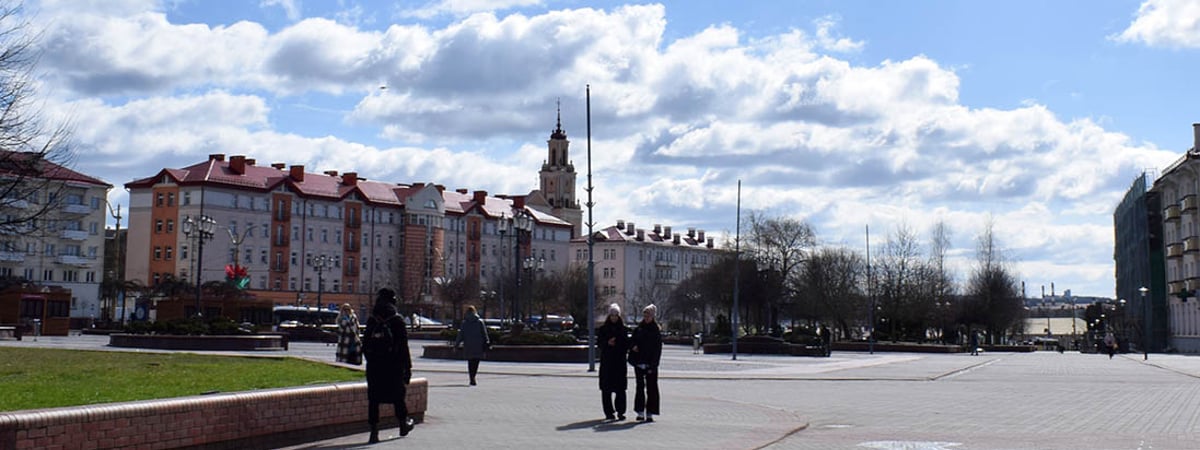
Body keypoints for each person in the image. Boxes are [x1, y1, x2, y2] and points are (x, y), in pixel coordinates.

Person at [364, 288, 413, 443]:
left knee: (373, 399)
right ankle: (403, 423)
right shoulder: (397, 320)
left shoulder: (373, 319)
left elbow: (365, 344)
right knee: (398, 396)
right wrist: (407, 368)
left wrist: (372, 359)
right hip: (394, 366)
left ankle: (374, 432)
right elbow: (404, 347)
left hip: (375, 367)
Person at [629, 304, 662, 422]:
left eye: (649, 315)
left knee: (651, 388)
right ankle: (640, 411)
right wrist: (633, 347)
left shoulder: (656, 330)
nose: (646, 317)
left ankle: (650, 412)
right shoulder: (639, 329)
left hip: (650, 364)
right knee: (640, 387)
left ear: (653, 316)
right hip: (639, 362)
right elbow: (631, 342)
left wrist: (653, 365)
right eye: (645, 315)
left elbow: (657, 350)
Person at [597, 303, 630, 421]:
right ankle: (609, 412)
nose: (614, 317)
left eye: (616, 315)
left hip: (619, 363)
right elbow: (599, 343)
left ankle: (621, 411)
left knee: (620, 389)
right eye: (612, 315)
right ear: (609, 316)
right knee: (606, 389)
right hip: (607, 363)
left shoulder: (623, 329)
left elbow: (626, 345)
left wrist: (619, 344)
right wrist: (607, 343)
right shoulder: (603, 329)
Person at [455, 305, 490, 386]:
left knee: (470, 362)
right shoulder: (480, 322)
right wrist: (487, 342)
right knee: (476, 362)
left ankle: (471, 377)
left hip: (468, 345)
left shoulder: (465, 323)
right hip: (478, 345)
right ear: (475, 312)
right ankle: (473, 376)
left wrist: (456, 345)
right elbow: (484, 334)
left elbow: (460, 335)